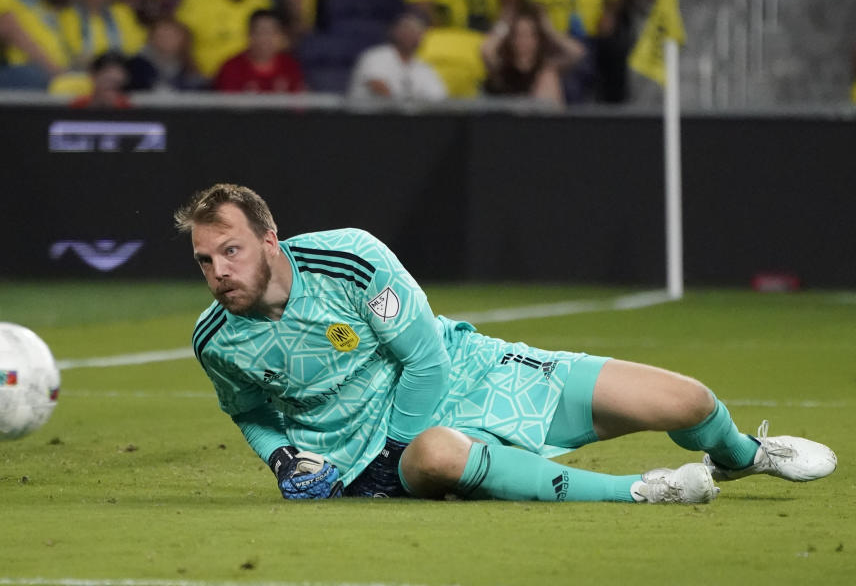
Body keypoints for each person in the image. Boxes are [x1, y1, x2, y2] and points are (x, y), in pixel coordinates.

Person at [175, 183, 837, 503]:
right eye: (205, 260)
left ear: (269, 240)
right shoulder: (216, 341)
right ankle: (644, 492)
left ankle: (744, 454)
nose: (218, 272)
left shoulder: (350, 260)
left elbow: (426, 361)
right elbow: (250, 413)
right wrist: (284, 457)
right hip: (380, 461)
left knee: (686, 402)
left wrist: (391, 448)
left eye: (229, 251)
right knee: (440, 455)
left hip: (474, 375)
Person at [526, 0, 626, 103]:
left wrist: (609, 15)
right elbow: (539, 14)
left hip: (594, 40)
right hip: (555, 42)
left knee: (614, 52)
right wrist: (558, 40)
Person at [481, 5, 585, 106]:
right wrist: (504, 25)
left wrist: (549, 30)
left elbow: (577, 52)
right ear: (510, 39)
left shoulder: (547, 67)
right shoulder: (502, 67)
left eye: (530, 35)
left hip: (540, 119)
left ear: (538, 39)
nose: (524, 41)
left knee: (548, 75)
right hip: (510, 120)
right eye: (518, 35)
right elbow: (486, 50)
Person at [58, 0, 146, 70]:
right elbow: (74, 51)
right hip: (87, 70)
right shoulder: (68, 16)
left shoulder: (122, 11)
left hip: (124, 68)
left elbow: (135, 45)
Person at [347, 9, 447, 101]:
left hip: (407, 119)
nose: (410, 34)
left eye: (416, 31)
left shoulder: (423, 67)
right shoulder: (376, 56)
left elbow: (439, 98)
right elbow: (378, 86)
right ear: (395, 32)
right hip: (367, 118)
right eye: (406, 29)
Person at [212, 9, 305, 93]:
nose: (266, 38)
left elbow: (299, 107)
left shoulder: (290, 66)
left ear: (281, 36)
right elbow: (226, 108)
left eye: (272, 32)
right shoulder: (231, 68)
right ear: (249, 35)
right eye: (260, 32)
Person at [125, 16, 205, 91]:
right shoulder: (137, 66)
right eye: (161, 36)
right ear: (151, 39)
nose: (165, 40)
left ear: (183, 40)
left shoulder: (189, 68)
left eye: (171, 36)